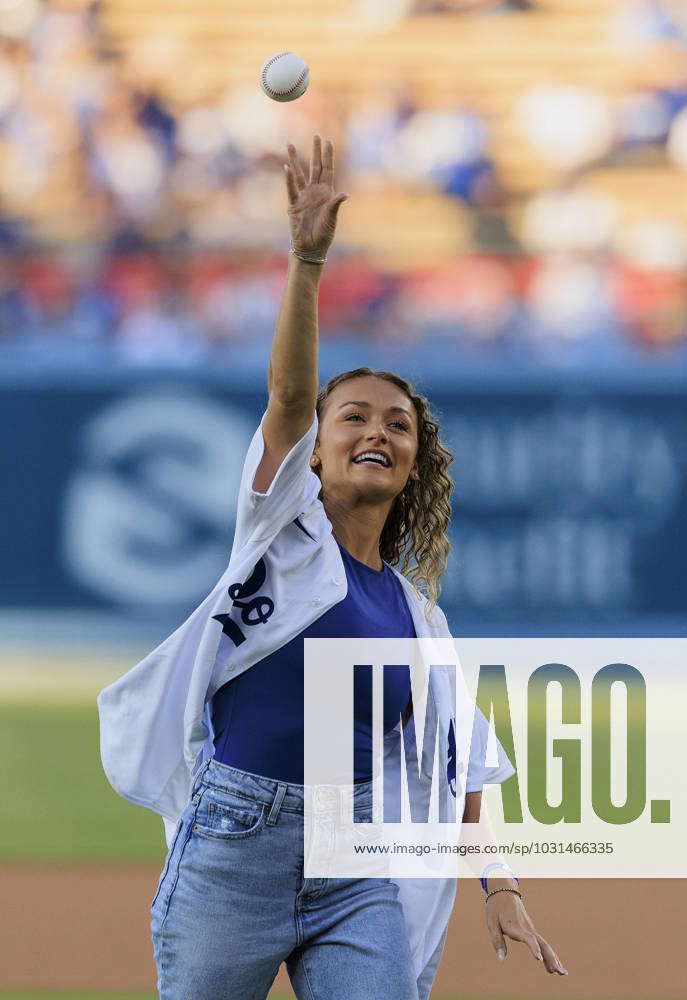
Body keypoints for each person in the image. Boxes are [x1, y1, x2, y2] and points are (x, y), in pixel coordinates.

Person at [97, 133, 566, 999]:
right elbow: (285, 397)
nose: (375, 432)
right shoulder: (281, 531)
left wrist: (501, 886)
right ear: (315, 451)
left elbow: (458, 762)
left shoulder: (418, 617)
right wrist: (307, 262)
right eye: (352, 417)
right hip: (236, 847)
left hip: (356, 866)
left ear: (417, 462)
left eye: (397, 424)